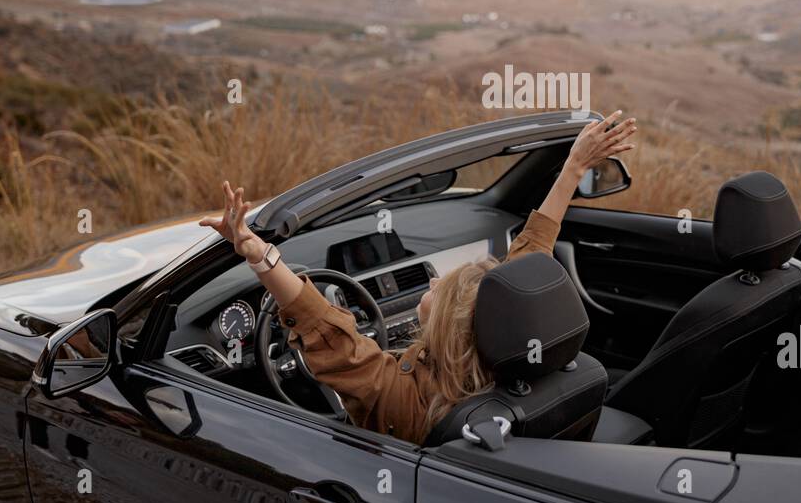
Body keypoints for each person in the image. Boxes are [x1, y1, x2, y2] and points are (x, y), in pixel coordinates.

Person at [202, 112, 637, 444]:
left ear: (446, 330)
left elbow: (326, 330)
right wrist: (573, 168)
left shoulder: (399, 398)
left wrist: (259, 255)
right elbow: (532, 250)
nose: (431, 282)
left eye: (437, 290)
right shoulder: (515, 363)